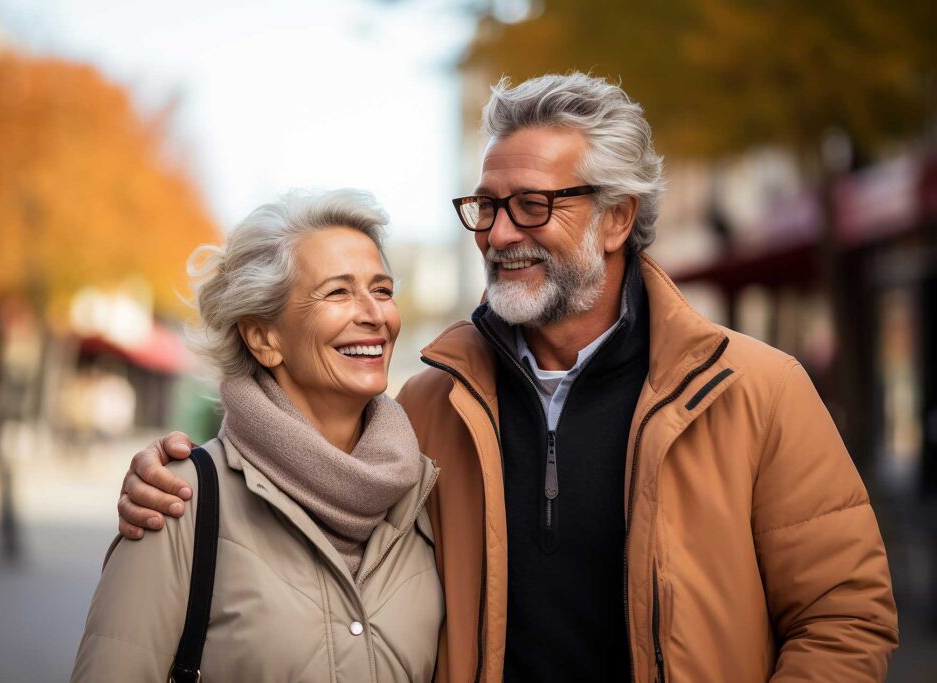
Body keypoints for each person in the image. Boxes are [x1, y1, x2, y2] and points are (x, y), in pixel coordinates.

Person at [116, 74, 898, 682]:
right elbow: (302, 492)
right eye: (485, 207)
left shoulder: (756, 391)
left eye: (530, 205)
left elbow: (845, 611)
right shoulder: (423, 408)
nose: (497, 233)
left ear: (616, 218)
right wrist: (180, 477)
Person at [72, 189, 443, 682]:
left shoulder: (427, 495)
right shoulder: (178, 501)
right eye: (338, 292)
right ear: (263, 337)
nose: (375, 315)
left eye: (381, 289)